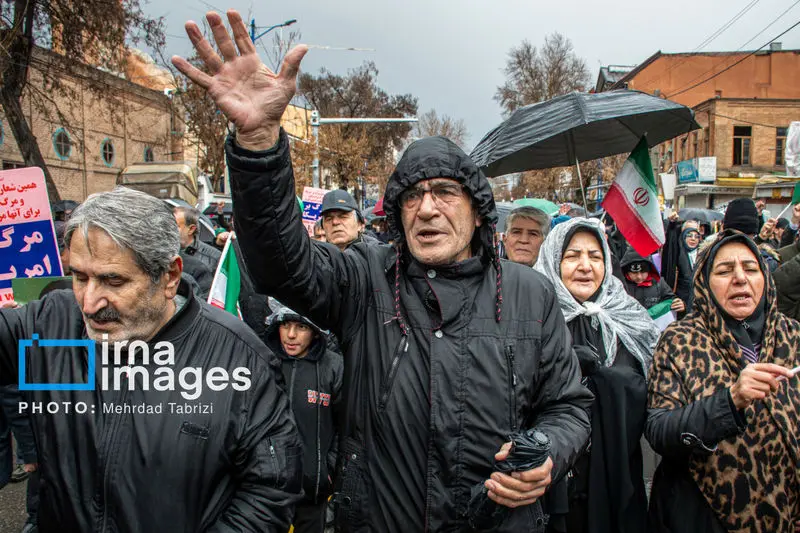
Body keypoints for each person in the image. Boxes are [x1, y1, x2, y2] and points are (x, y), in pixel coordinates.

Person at [172, 12, 593, 531]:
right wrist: (259, 146)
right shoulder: (366, 278)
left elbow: (569, 406)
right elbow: (281, 265)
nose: (427, 208)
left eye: (444, 192)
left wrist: (548, 452)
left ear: (478, 210)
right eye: (413, 196)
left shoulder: (531, 295)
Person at [0, 187, 302, 531]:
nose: (89, 303)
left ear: (169, 277)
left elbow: (270, 492)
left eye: (113, 280)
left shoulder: (240, 359)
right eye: (80, 277)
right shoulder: (51, 324)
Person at [646, 230, 800, 533]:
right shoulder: (680, 341)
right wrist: (730, 401)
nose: (740, 278)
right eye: (725, 270)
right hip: (702, 516)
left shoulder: (792, 336)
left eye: (751, 268)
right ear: (704, 282)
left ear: (765, 279)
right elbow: (660, 430)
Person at [535, 218, 659, 533]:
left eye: (595, 256)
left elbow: (652, 388)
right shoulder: (531, 317)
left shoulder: (627, 316)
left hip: (617, 476)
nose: (585, 266)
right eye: (573, 255)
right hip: (553, 483)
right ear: (553, 259)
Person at [265, 304, 343, 533]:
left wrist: (329, 470)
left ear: (315, 331)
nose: (291, 335)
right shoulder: (264, 362)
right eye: (285, 325)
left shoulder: (334, 367)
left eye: (301, 327)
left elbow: (345, 424)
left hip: (314, 492)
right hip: (268, 492)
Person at [620, 246, 685, 314]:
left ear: (649, 270)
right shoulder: (620, 285)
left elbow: (671, 299)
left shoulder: (659, 283)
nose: (639, 277)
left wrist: (680, 305)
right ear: (626, 271)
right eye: (634, 273)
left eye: (643, 272)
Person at [173, 206, 221, 270]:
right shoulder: (162, 250)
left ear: (191, 229)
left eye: (174, 225)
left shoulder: (214, 257)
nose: (168, 229)